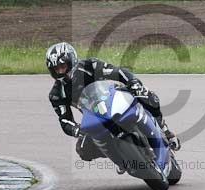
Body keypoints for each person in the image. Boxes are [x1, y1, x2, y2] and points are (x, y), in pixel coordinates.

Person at [46, 42, 181, 168]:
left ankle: (165, 130)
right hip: (96, 117)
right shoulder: (56, 94)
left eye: (63, 67)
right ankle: (121, 158)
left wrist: (133, 83)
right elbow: (64, 120)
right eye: (56, 69)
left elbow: (118, 72)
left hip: (114, 98)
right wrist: (77, 130)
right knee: (83, 150)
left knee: (145, 95)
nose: (60, 71)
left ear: (72, 60)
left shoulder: (89, 66)